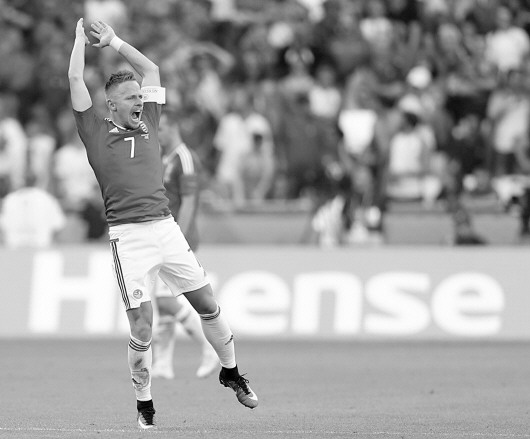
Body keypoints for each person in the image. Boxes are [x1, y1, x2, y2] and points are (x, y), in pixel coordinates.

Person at [68, 18, 258, 429]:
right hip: (128, 237)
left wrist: (115, 40)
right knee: (143, 326)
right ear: (111, 105)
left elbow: (151, 69)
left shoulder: (151, 120)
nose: (139, 100)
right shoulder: (95, 132)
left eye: (140, 95)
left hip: (165, 228)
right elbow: (75, 78)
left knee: (207, 303)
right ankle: (145, 404)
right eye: (130, 97)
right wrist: (81, 40)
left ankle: (231, 372)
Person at [151, 111, 218, 380]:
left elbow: (190, 200)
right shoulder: (164, 157)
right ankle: (163, 364)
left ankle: (210, 347)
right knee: (163, 303)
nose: (157, 134)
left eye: (161, 128)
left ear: (173, 128)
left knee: (165, 301)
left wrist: (177, 237)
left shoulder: (185, 157)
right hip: (164, 235)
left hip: (178, 237)